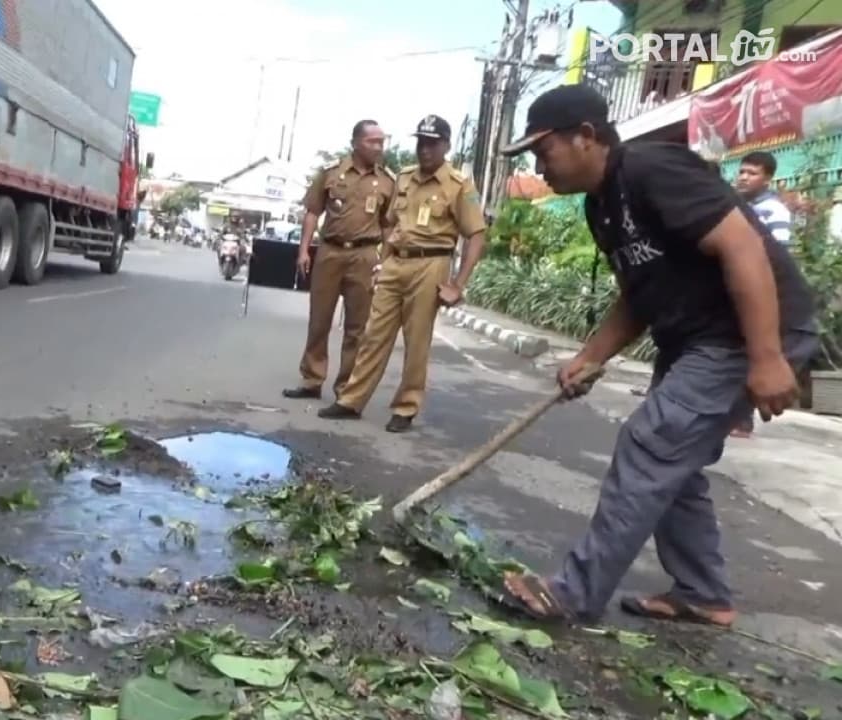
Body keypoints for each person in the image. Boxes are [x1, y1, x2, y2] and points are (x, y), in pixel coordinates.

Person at [495, 84, 818, 625]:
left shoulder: (652, 169)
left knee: (652, 444)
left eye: (543, 149)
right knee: (676, 464)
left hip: (746, 332)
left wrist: (766, 357)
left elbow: (743, 247)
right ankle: (703, 591)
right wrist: (590, 357)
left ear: (586, 138)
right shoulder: (602, 205)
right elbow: (638, 293)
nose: (539, 165)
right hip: (696, 337)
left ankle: (572, 593)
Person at [317, 115, 487, 433]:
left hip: (431, 264)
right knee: (373, 334)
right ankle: (351, 400)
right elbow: (391, 221)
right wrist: (384, 258)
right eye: (421, 142)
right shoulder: (405, 178)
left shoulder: (459, 185)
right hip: (396, 262)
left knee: (416, 339)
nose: (425, 149)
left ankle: (405, 407)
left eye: (432, 143)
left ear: (446, 146)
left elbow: (476, 234)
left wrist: (457, 284)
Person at [282, 120, 397, 401]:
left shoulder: (386, 181)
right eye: (373, 141)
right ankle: (311, 380)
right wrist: (304, 250)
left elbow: (388, 227)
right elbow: (312, 212)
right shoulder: (331, 173)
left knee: (358, 327)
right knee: (319, 320)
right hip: (330, 253)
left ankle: (346, 388)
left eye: (382, 142)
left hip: (366, 256)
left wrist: (388, 261)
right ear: (356, 143)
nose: (379, 147)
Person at [729, 152, 796, 438]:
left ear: (767, 179)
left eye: (752, 173)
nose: (744, 177)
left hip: (761, 291)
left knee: (749, 352)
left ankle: (743, 420)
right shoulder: (738, 207)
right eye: (742, 171)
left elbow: (777, 255)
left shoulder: (774, 211)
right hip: (736, 288)